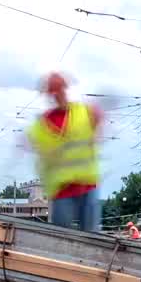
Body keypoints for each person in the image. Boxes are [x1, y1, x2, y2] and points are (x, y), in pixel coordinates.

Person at [27, 72, 103, 231]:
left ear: (64, 89)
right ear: (50, 94)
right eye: (54, 91)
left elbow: (95, 134)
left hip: (87, 185)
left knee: (92, 239)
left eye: (59, 89)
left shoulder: (84, 112)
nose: (57, 94)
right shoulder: (42, 124)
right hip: (62, 191)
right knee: (63, 239)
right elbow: (37, 150)